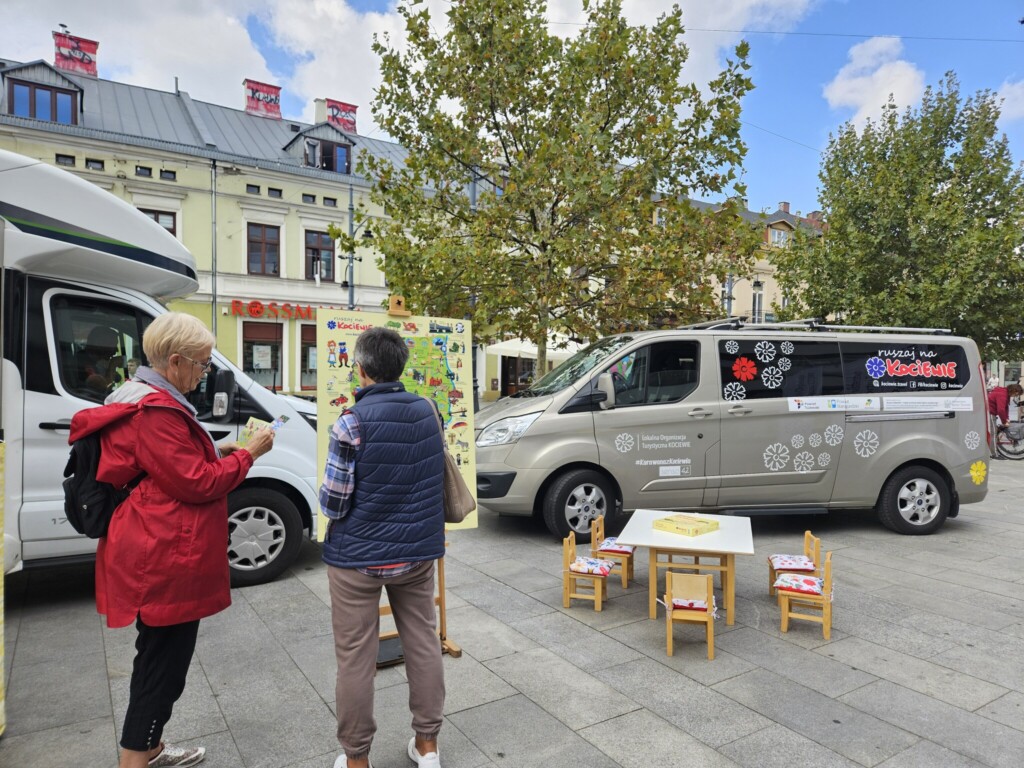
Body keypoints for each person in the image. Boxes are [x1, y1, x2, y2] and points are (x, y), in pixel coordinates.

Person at [68, 312, 275, 768]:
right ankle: (135, 758)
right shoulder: (156, 410)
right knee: (161, 668)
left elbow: (167, 464)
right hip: (161, 554)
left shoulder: (140, 394)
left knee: (159, 659)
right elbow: (198, 483)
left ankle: (150, 747)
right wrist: (247, 455)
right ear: (175, 361)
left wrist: (218, 449)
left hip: (153, 544)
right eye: (201, 364)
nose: (203, 374)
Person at [320, 327, 446, 768]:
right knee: (423, 641)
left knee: (356, 656)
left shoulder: (350, 421)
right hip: (416, 553)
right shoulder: (430, 410)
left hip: (357, 558)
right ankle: (427, 746)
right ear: (401, 366)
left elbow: (333, 502)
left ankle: (356, 759)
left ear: (361, 368)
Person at [77, 325, 124, 394]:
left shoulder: (98, 362)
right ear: (100, 345)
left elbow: (117, 378)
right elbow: (102, 388)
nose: (116, 350)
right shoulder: (83, 362)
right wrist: (113, 365)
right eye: (113, 345)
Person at [987, 382, 1023, 458]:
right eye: (1016, 394)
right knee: (993, 433)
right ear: (1014, 390)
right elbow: (1001, 410)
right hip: (989, 412)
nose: (1016, 396)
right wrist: (1004, 422)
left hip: (991, 412)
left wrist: (1007, 419)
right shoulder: (1002, 395)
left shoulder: (1006, 394)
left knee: (993, 432)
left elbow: (1006, 408)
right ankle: (994, 454)